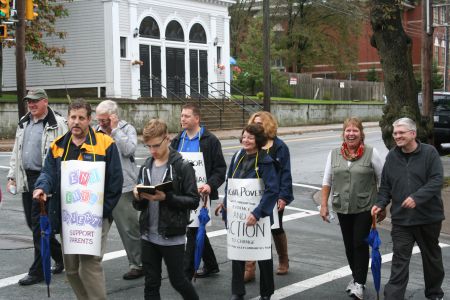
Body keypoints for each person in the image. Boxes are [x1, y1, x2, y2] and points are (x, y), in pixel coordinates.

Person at [32, 100, 123, 300]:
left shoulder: (105, 143)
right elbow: (48, 173)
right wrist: (41, 187)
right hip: (69, 217)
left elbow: (116, 182)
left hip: (96, 218)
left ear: (89, 120)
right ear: (68, 118)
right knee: (72, 269)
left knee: (89, 266)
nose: (76, 122)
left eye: (81, 118)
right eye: (73, 117)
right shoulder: (58, 146)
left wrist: (102, 212)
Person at [371, 117, 445, 300]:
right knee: (399, 261)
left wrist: (416, 198)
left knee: (432, 260)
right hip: (402, 220)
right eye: (395, 133)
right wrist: (380, 204)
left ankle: (435, 294)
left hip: (429, 218)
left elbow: (436, 180)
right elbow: (386, 186)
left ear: (413, 134)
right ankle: (393, 297)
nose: (397, 136)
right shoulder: (392, 156)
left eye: (401, 132)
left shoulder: (430, 153)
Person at [132, 118, 200, 300]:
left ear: (167, 139)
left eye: (156, 145)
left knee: (178, 281)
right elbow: (139, 205)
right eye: (148, 146)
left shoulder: (182, 166)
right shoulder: (146, 165)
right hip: (148, 234)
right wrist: (137, 196)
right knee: (151, 283)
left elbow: (193, 200)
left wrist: (167, 198)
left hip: (172, 235)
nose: (152, 151)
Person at [7, 88, 67, 286]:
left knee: (38, 227)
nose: (31, 105)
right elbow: (17, 151)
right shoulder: (24, 122)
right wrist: (11, 176)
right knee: (34, 225)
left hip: (45, 180)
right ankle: (60, 257)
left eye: (35, 101)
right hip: (27, 179)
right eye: (29, 102)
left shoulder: (57, 124)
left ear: (45, 102)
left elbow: (65, 153)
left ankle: (38, 270)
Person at [320, 117, 383, 300]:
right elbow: (327, 181)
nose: (351, 134)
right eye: (348, 130)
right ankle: (356, 277)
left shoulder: (372, 152)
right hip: (342, 206)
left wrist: (381, 204)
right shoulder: (334, 154)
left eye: (355, 130)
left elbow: (382, 179)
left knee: (359, 243)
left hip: (365, 207)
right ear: (343, 133)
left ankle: (360, 283)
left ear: (361, 133)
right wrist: (324, 205)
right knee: (349, 245)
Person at [170, 103, 226, 280]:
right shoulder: (178, 140)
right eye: (181, 116)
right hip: (182, 192)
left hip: (202, 193)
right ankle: (211, 265)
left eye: (186, 116)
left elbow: (220, 169)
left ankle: (186, 273)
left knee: (192, 231)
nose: (182, 119)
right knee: (195, 228)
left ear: (197, 118)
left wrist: (210, 185)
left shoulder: (210, 140)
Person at [223, 123, 279, 300]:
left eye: (250, 137)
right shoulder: (237, 156)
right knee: (237, 253)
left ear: (258, 141)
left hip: (258, 216)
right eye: (244, 136)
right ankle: (237, 291)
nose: (245, 140)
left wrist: (257, 213)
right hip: (237, 215)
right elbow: (230, 183)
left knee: (263, 255)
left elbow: (272, 190)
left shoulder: (266, 161)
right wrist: (225, 203)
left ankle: (266, 292)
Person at [95, 100, 143, 280]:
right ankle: (91, 264)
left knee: (129, 228)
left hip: (123, 187)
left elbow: (129, 150)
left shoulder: (126, 129)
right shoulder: (95, 132)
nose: (101, 123)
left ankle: (137, 264)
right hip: (102, 188)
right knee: (97, 230)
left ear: (114, 116)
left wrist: (114, 130)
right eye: (99, 120)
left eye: (105, 120)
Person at [244, 111, 294, 282]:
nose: (257, 126)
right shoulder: (250, 145)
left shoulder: (280, 147)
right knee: (252, 228)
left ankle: (283, 258)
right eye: (254, 123)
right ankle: (250, 266)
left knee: (275, 228)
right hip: (251, 195)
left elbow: (285, 173)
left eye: (261, 123)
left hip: (273, 195)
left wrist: (283, 197)